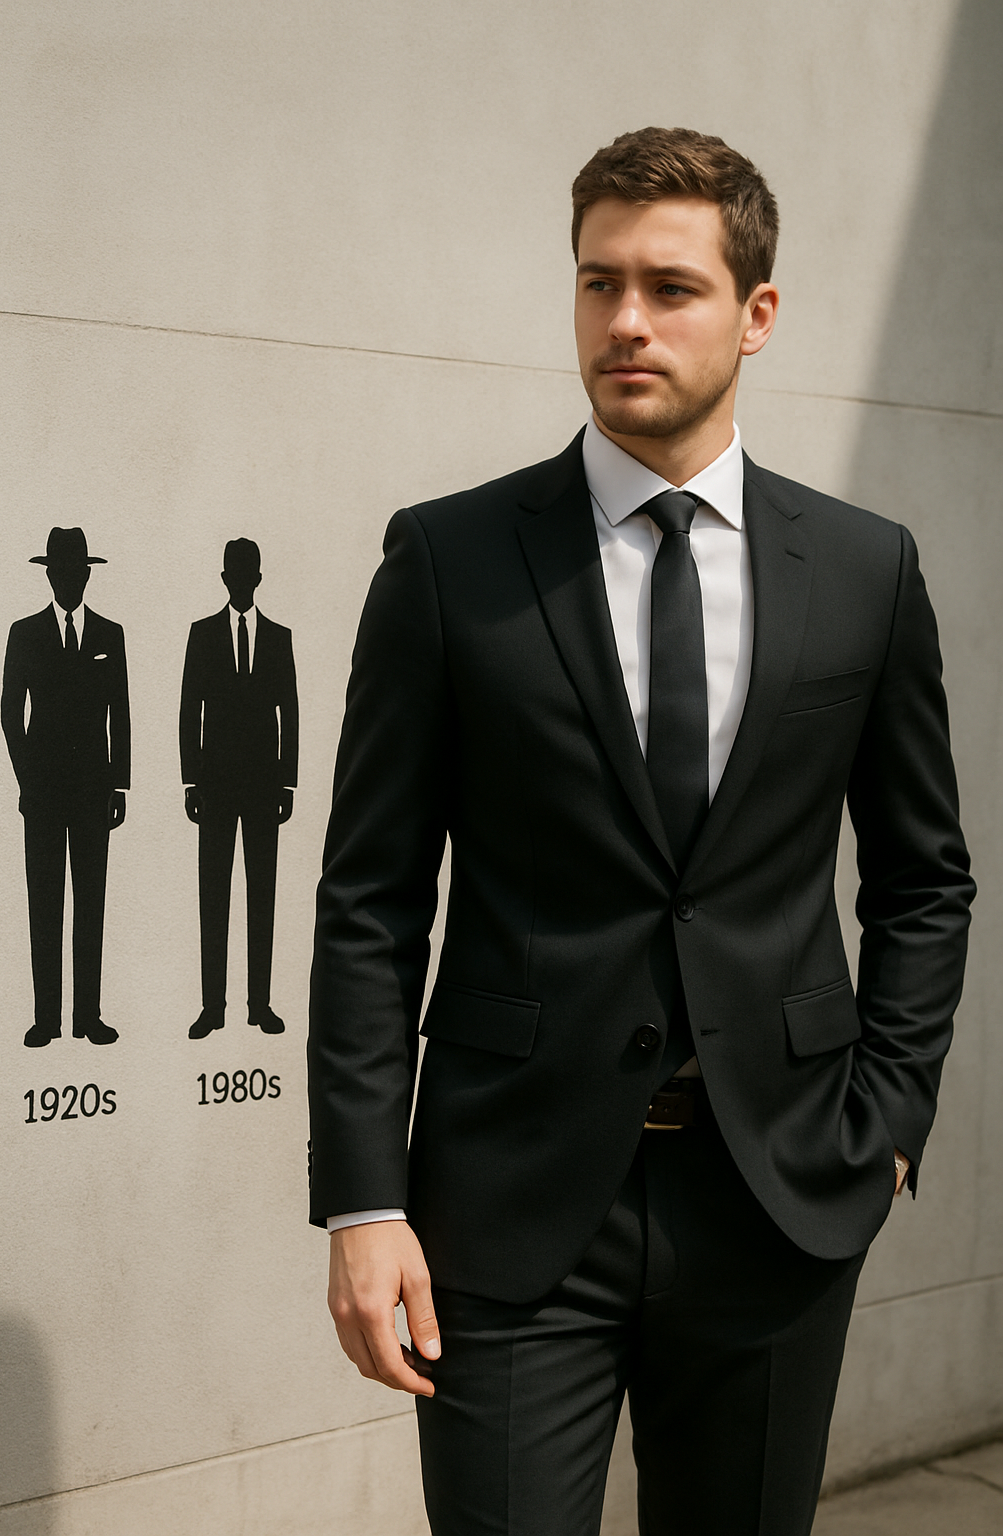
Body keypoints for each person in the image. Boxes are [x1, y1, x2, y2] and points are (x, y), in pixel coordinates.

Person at [308, 128, 975, 1535]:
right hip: (506, 1208)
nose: (625, 320)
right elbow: (370, 899)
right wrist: (364, 1203)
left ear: (756, 312)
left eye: (670, 287)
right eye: (598, 281)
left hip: (780, 1196)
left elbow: (924, 876)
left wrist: (889, 1124)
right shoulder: (449, 560)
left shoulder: (865, 569)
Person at [2, 526, 130, 1048]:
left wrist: (119, 786)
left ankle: (88, 1017)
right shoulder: (24, 633)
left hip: (95, 792)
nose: (69, 579)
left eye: (78, 571)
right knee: (45, 903)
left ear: (87, 576)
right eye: (60, 571)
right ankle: (46, 1020)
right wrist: (28, 780)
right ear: (49, 575)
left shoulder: (109, 634)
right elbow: (10, 715)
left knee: (90, 903)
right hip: (43, 794)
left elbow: (120, 714)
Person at [181, 537, 298, 1038]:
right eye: (235, 574)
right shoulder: (202, 634)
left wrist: (287, 783)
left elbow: (290, 711)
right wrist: (191, 780)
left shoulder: (279, 638)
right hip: (214, 786)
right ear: (225, 579)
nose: (242, 582)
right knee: (213, 895)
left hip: (264, 787)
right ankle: (213, 1008)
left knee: (261, 894)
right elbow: (190, 708)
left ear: (258, 579)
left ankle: (259, 1005)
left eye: (249, 574)